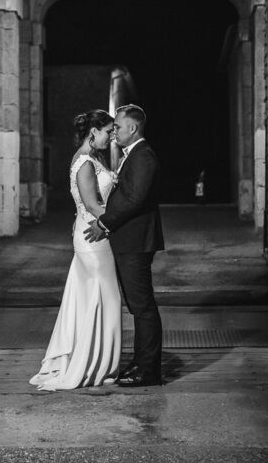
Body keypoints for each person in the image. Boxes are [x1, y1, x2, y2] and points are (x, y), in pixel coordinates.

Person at [29, 109, 121, 391]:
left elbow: (104, 188)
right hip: (93, 237)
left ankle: (96, 361)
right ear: (93, 132)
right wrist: (121, 221)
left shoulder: (95, 158)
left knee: (93, 298)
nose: (112, 136)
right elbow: (92, 205)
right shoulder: (83, 163)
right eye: (108, 131)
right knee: (105, 297)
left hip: (95, 232)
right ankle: (92, 364)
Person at [84, 104, 164, 387]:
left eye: (118, 126)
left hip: (136, 241)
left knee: (142, 307)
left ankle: (149, 371)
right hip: (129, 240)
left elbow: (135, 200)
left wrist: (104, 223)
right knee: (137, 306)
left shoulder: (143, 157)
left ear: (133, 128)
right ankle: (140, 362)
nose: (115, 130)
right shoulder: (133, 155)